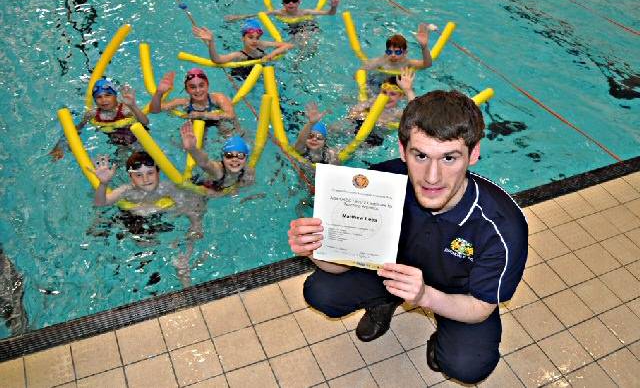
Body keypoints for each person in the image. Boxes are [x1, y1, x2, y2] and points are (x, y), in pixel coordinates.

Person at [287, 90, 528, 384]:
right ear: (403, 150)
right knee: (321, 291)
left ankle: (440, 339)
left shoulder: (502, 227)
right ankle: (384, 301)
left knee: (468, 366)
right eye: (421, 156)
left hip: (458, 296)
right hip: (391, 273)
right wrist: (315, 249)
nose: (432, 177)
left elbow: (481, 307)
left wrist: (426, 296)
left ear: (474, 154)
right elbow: (341, 265)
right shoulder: (381, 184)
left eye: (449, 158)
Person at [93, 151, 204, 238]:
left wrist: (196, 227)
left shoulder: (166, 188)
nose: (145, 179)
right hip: (130, 217)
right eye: (138, 175)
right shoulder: (126, 190)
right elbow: (101, 203)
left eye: (150, 173)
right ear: (130, 177)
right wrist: (103, 183)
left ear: (158, 172)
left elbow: (189, 207)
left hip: (159, 217)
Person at [50, 79, 149, 160]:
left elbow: (145, 122)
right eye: (99, 97)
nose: (104, 100)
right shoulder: (92, 114)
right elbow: (76, 130)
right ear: (95, 100)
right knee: (121, 164)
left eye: (108, 95)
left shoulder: (125, 110)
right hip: (118, 144)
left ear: (115, 96)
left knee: (144, 158)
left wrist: (133, 106)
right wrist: (60, 146)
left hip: (137, 140)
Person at [192, 20, 294, 78]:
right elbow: (217, 59)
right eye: (250, 37)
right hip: (242, 77)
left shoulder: (261, 45)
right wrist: (211, 43)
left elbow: (288, 45)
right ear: (243, 38)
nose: (254, 41)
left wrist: (273, 54)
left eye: (257, 38)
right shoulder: (238, 55)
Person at [149, 68, 238, 136]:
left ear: (208, 85)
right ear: (187, 90)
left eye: (201, 85)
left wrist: (201, 115)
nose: (198, 90)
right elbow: (154, 110)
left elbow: (230, 115)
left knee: (231, 134)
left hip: (219, 122)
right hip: (194, 126)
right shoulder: (183, 102)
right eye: (192, 87)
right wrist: (159, 92)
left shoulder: (218, 98)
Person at [180, 121, 255, 194]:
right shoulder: (218, 171)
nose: (234, 159)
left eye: (240, 155)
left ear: (246, 158)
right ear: (223, 158)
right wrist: (192, 148)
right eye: (229, 155)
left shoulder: (248, 172)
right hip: (196, 189)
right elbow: (204, 163)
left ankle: (216, 123)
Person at [224, 0, 340, 23]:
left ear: (299, 2)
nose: (291, 3)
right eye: (287, 1)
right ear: (283, 4)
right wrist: (238, 17)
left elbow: (329, 13)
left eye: (294, 0)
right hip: (292, 29)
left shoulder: (305, 12)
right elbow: (257, 15)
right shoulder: (278, 13)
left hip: (308, 26)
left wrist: (333, 7)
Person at [361, 24, 435, 73]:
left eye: (397, 52)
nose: (393, 55)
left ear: (405, 53)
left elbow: (427, 64)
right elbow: (361, 71)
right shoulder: (380, 61)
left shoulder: (407, 63)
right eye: (389, 52)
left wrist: (424, 46)